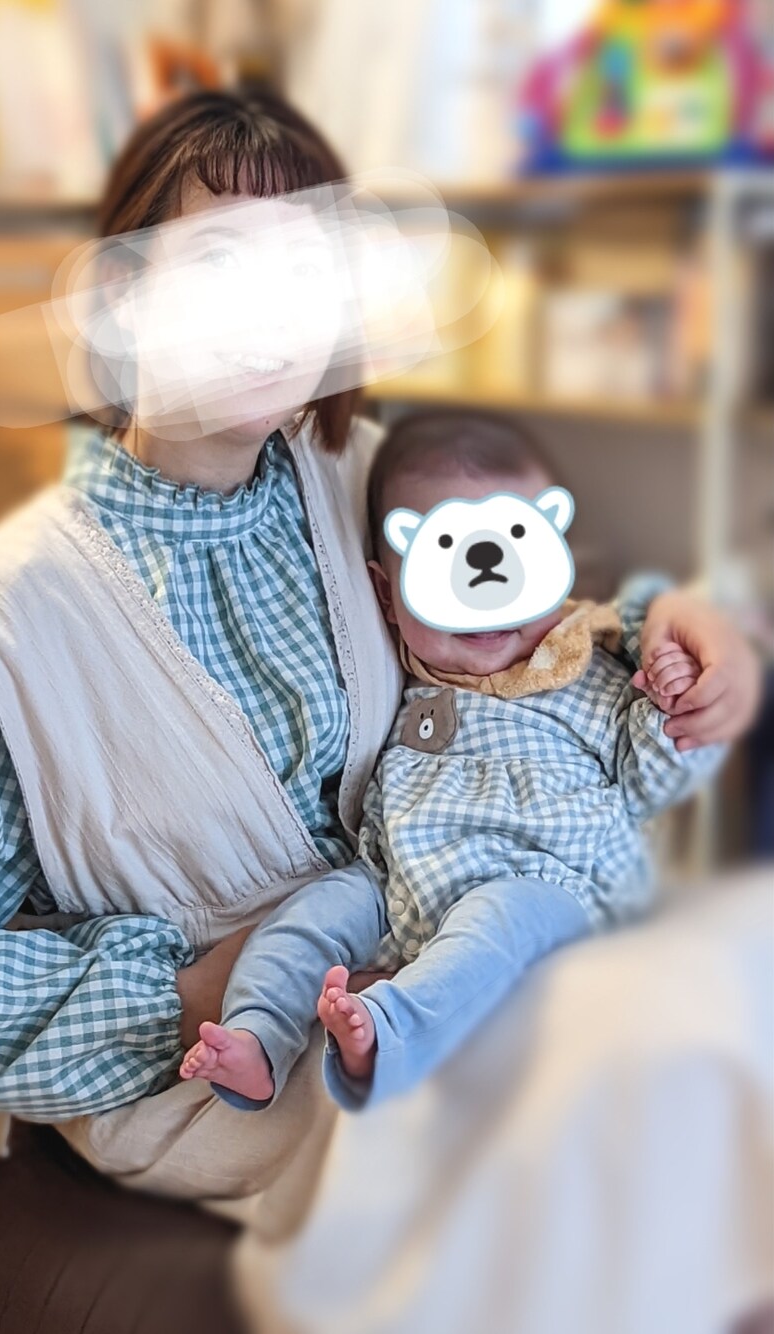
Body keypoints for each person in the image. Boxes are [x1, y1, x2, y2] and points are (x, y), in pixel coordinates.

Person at [0, 92, 758, 1135]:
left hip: (451, 963)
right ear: (120, 296)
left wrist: (675, 619)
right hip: (224, 1077)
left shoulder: (370, 476)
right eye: (220, 265)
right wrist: (182, 995)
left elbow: (541, 613)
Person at [178, 410, 729, 1110]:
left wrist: (668, 700)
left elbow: (655, 778)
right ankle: (255, 1039)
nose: (485, 598)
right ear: (388, 596)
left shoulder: (580, 667)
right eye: (444, 565)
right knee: (306, 918)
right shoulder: (394, 676)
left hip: (547, 888)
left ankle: (390, 1034)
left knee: (495, 922)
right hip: (398, 879)